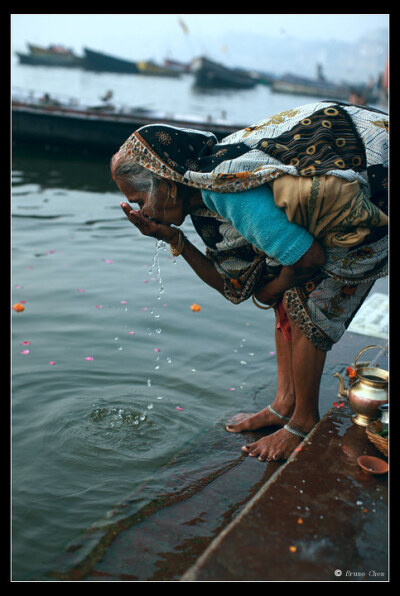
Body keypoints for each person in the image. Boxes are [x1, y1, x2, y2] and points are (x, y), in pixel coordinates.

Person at [111, 100, 388, 462]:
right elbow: (233, 285)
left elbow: (308, 260)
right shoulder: (203, 188)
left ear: (169, 186)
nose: (141, 211)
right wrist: (173, 239)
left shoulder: (225, 192)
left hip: (375, 189)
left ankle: (302, 422)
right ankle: (283, 404)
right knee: (286, 297)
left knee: (307, 302)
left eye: (139, 198)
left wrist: (271, 289)